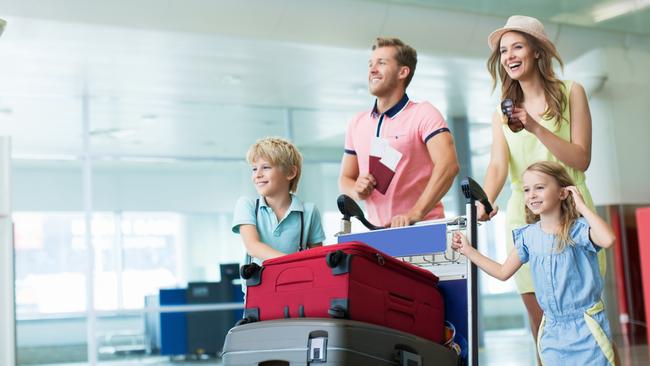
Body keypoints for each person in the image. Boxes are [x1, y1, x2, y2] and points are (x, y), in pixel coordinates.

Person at [479, 15, 607, 356]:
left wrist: (535, 127)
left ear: (537, 51)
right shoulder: (501, 114)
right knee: (543, 328)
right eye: (503, 51)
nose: (509, 56)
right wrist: (485, 199)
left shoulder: (571, 93)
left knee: (589, 325)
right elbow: (497, 166)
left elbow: (581, 159)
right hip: (526, 219)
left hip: (570, 214)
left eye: (517, 46)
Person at [453, 161, 616, 365]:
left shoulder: (578, 229)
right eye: (527, 189)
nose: (531, 194)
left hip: (587, 329)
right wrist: (469, 251)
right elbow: (503, 272)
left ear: (563, 193)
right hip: (551, 332)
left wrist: (581, 205)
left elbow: (608, 239)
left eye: (540, 187)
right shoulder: (527, 236)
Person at [339, 37, 459, 228]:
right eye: (371, 64)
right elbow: (345, 178)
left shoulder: (423, 113)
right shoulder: (357, 123)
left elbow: (448, 166)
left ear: (403, 72)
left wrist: (415, 214)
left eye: (382, 63)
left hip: (422, 228)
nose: (372, 69)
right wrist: (357, 190)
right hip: (377, 233)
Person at [232, 137, 325, 272]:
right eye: (254, 169)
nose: (257, 175)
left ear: (290, 173)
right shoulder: (247, 205)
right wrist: (294, 265)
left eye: (266, 167)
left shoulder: (309, 211)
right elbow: (253, 246)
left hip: (296, 287)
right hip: (259, 290)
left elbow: (318, 258)